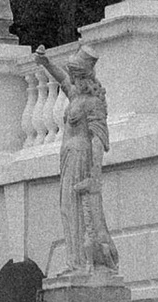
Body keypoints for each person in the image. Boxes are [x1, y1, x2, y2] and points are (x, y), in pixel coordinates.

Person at [34, 45, 119, 281]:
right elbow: (61, 78)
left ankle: (82, 263)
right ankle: (74, 262)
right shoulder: (76, 95)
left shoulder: (93, 103)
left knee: (79, 211)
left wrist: (94, 175)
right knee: (67, 210)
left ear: (83, 77)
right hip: (69, 157)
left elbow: (98, 140)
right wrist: (46, 62)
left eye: (74, 74)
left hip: (81, 157)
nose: (70, 77)